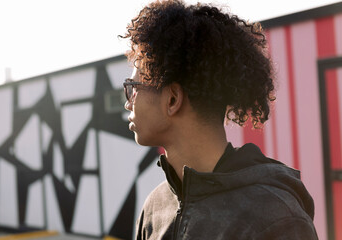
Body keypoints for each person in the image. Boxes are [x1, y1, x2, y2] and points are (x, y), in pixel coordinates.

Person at [121, 0, 318, 239]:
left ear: (172, 99)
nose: (128, 102)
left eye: (134, 87)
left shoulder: (276, 216)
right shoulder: (155, 207)